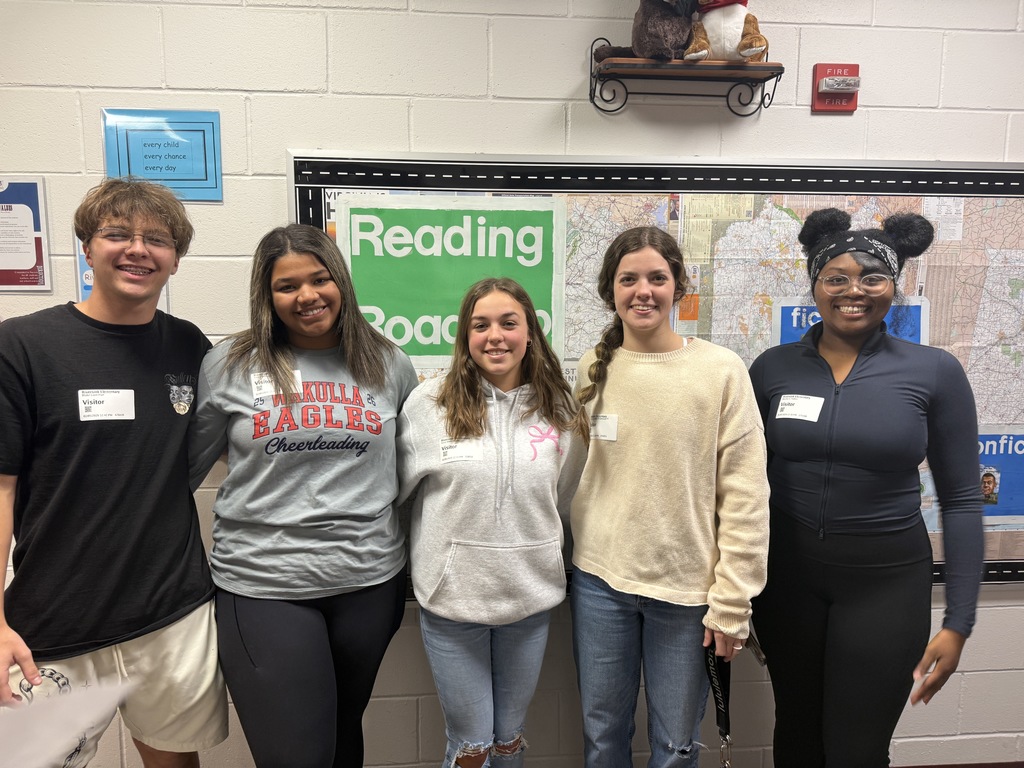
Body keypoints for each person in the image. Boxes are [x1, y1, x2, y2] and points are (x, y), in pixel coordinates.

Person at [0, 177, 227, 767]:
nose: (138, 249)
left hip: (172, 614)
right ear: (86, 246)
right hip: (54, 623)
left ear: (175, 259)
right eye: (117, 233)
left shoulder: (188, 347)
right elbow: (0, 492)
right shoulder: (21, 347)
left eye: (157, 238)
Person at [748, 208, 985, 767]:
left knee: (857, 748)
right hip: (787, 585)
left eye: (872, 277)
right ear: (815, 286)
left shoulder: (934, 371)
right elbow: (740, 487)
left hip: (884, 588)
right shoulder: (772, 369)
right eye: (836, 277)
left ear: (893, 286)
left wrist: (959, 622)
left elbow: (962, 499)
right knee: (798, 737)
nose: (854, 291)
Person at [189, 223, 418, 768]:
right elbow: (181, 472)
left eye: (320, 279)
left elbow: (415, 467)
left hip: (368, 583)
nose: (308, 296)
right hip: (265, 585)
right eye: (287, 286)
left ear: (341, 281)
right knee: (299, 754)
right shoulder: (231, 364)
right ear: (266, 296)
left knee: (341, 740)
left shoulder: (389, 362)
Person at [571, 226, 770, 767]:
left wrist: (733, 602)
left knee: (677, 743)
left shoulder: (721, 370)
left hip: (687, 595)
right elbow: (577, 472)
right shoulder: (593, 366)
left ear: (678, 285)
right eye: (628, 279)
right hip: (599, 585)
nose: (643, 291)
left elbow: (747, 495)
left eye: (657, 278)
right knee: (601, 735)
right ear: (610, 290)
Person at [396, 277, 587, 768]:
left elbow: (564, 494)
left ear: (530, 333)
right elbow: (400, 493)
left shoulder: (561, 407)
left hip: (528, 599)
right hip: (452, 600)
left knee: (508, 739)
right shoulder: (428, 404)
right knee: (472, 745)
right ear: (465, 336)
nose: (495, 336)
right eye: (480, 325)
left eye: (509, 323)